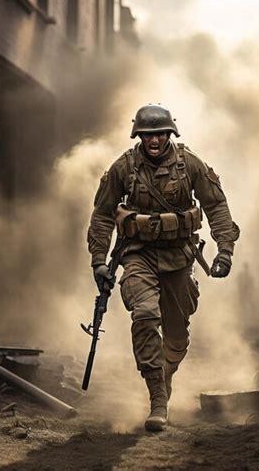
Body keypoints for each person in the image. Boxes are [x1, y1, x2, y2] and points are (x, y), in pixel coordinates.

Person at [87, 104, 240, 431]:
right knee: (144, 314)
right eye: (147, 134)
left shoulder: (190, 165)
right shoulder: (123, 168)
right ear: (138, 135)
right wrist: (99, 261)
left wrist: (224, 251)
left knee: (176, 336)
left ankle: (164, 376)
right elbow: (102, 215)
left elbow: (216, 206)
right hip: (138, 255)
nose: (154, 140)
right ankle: (157, 397)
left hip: (179, 257)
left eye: (159, 133)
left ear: (170, 133)